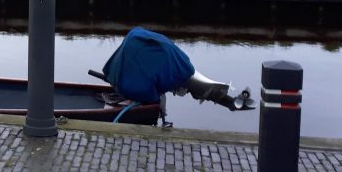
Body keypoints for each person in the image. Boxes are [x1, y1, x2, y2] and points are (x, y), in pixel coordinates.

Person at [92, 27, 254, 111]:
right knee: (192, 84)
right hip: (169, 60)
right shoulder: (178, 64)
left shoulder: (176, 67)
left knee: (194, 85)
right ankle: (231, 103)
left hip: (168, 61)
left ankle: (231, 103)